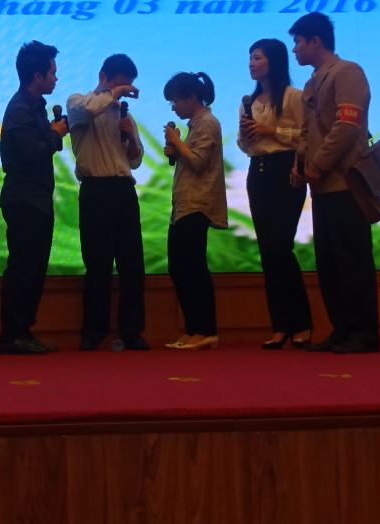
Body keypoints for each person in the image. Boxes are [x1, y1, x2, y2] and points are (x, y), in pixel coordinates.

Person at [289, 12, 380, 354]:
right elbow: (306, 131)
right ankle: (341, 330)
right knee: (329, 263)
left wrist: (318, 165)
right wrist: (300, 165)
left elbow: (347, 127)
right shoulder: (312, 83)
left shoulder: (347, 72)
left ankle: (364, 333)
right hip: (321, 186)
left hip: (346, 183)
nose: (295, 49)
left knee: (352, 259)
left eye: (298, 42)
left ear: (316, 41)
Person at [66, 54, 149, 351]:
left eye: (128, 86)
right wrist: (115, 92)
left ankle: (131, 330)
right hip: (95, 190)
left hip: (124, 190)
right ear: (103, 77)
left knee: (132, 265)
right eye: (121, 84)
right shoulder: (78, 102)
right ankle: (93, 331)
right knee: (97, 265)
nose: (125, 91)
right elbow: (88, 110)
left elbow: (135, 160)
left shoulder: (124, 116)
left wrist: (132, 140)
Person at [236, 38, 315, 350]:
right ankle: (280, 326)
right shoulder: (250, 102)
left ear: (275, 61)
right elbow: (244, 145)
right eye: (250, 58)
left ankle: (302, 324)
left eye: (258, 58)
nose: (252, 63)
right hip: (258, 172)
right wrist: (247, 135)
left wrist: (272, 131)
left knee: (281, 247)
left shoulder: (294, 97)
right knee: (268, 252)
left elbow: (307, 136)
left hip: (287, 170)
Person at [0, 40, 69, 355]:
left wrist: (53, 133)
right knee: (24, 268)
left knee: (33, 268)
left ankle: (22, 331)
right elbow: (32, 154)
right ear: (37, 76)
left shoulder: (34, 106)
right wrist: (56, 134)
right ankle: (13, 334)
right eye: (52, 72)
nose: (56, 77)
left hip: (36, 199)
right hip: (25, 200)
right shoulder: (20, 110)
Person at [161, 71, 227, 350]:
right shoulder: (196, 125)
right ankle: (193, 328)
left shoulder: (208, 123)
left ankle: (205, 329)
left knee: (193, 268)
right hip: (185, 205)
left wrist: (177, 142)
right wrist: (177, 149)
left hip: (197, 205)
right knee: (180, 267)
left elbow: (199, 162)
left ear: (190, 98)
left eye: (175, 101)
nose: (173, 107)